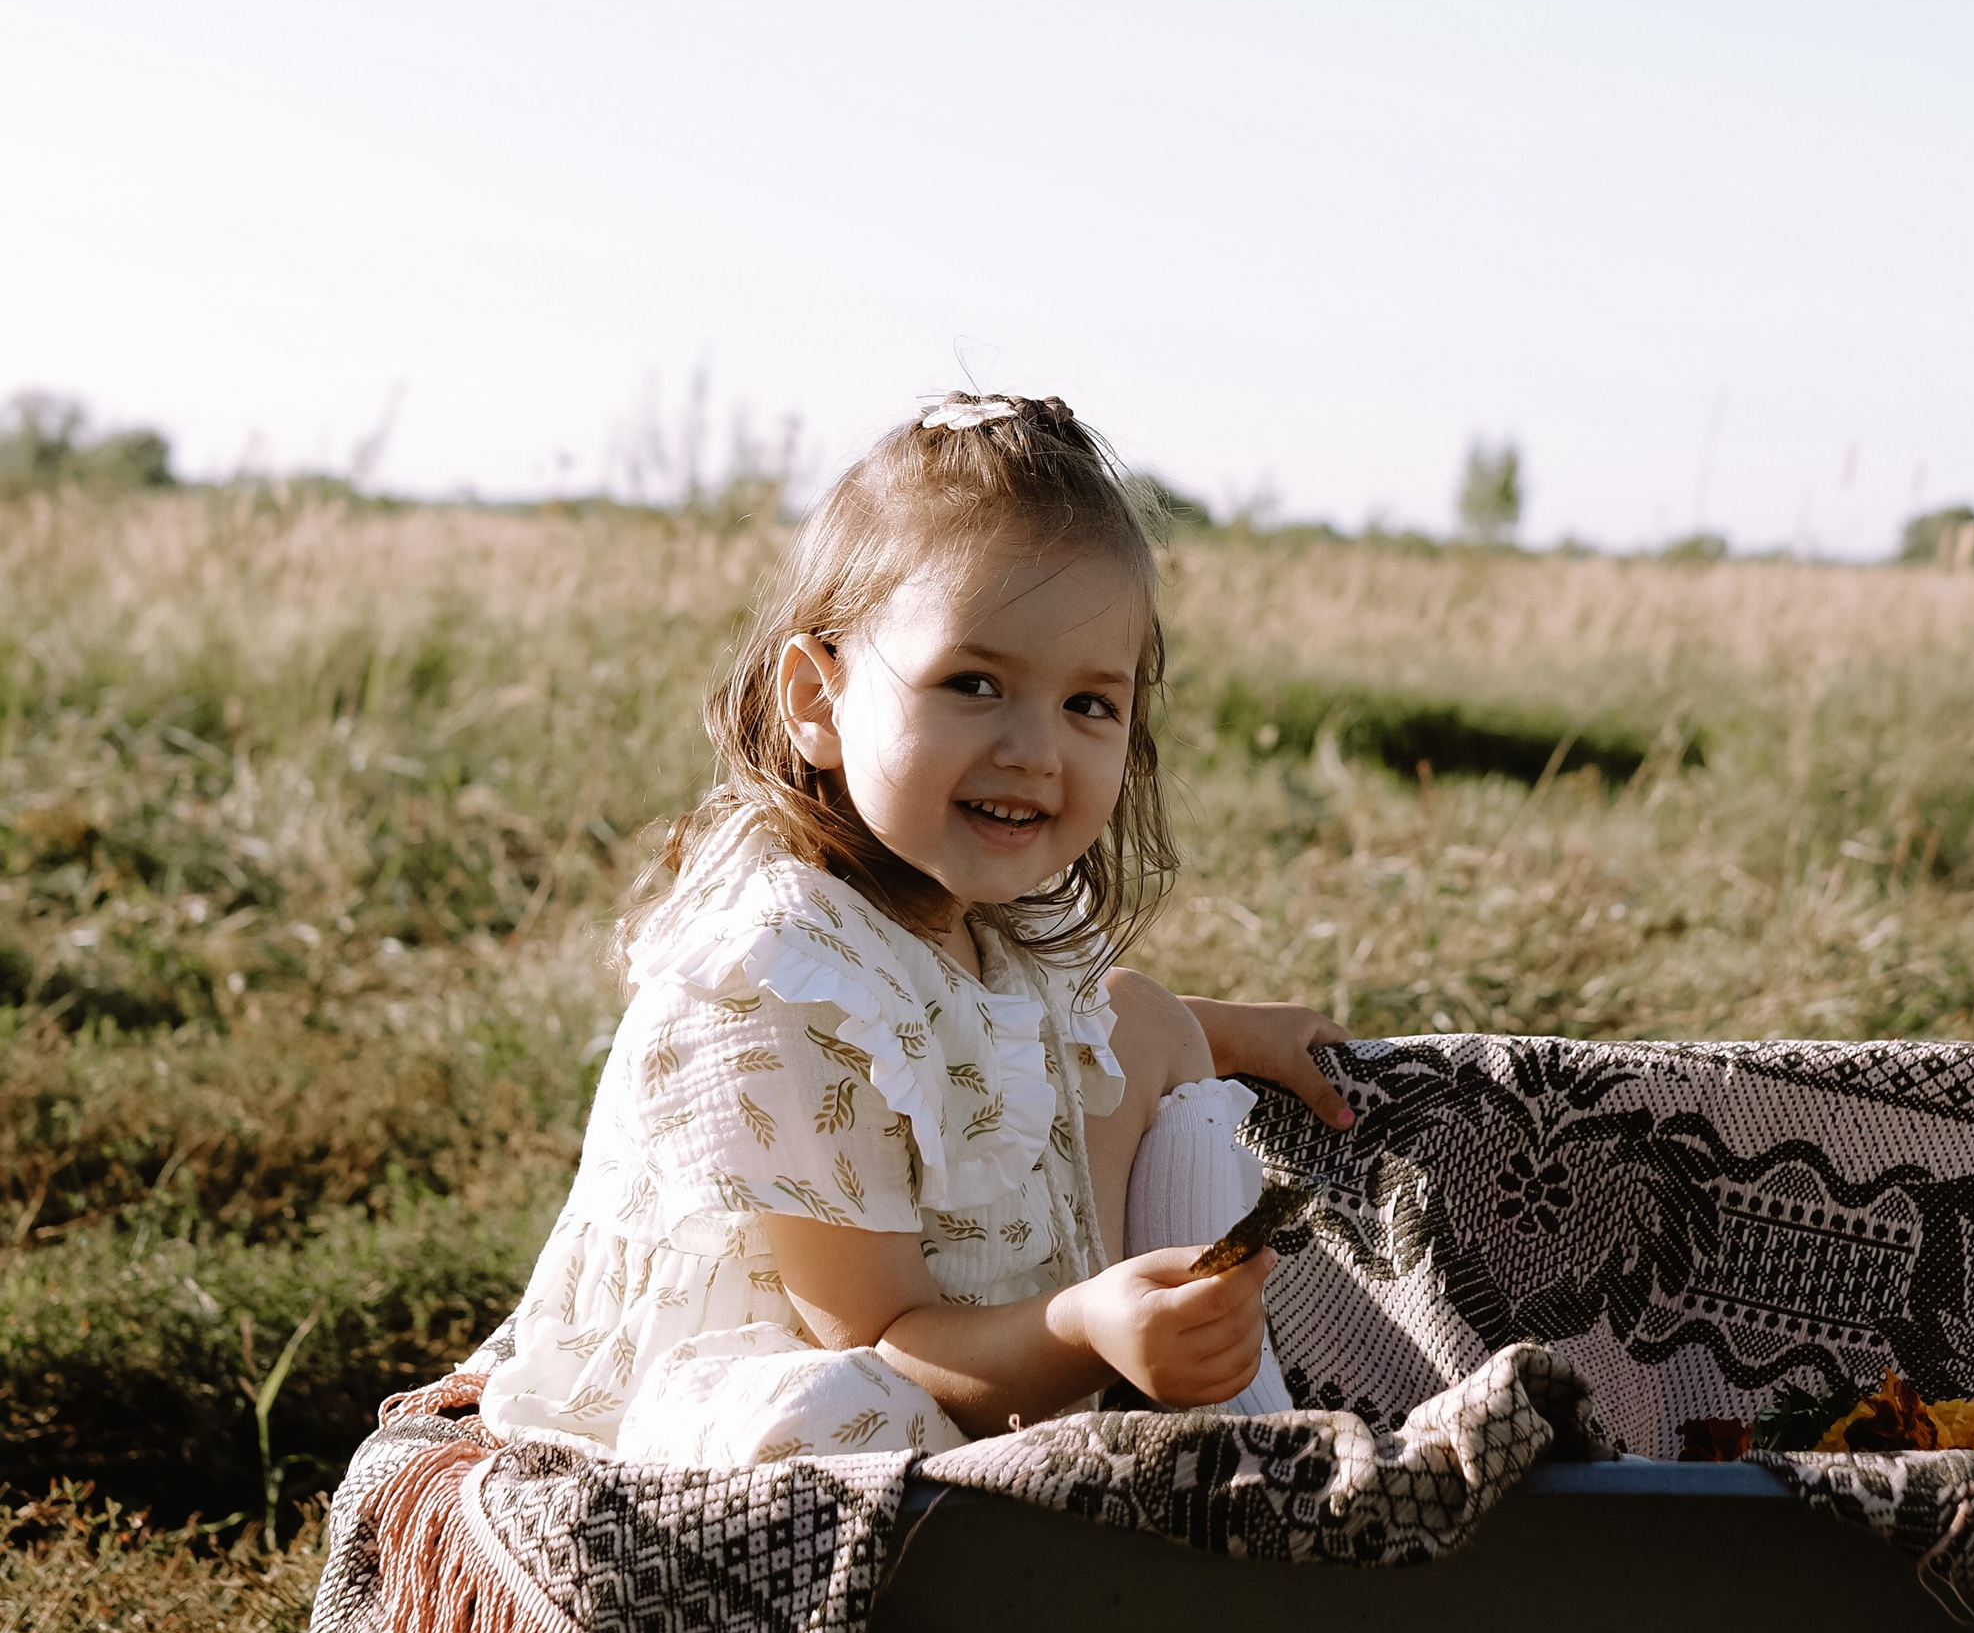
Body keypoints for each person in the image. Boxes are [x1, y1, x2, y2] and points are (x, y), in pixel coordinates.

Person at [478, 393, 1351, 1468]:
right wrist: (1085, 1329)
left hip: (992, 1345)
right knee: (840, 1409)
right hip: (811, 1372)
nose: (1035, 749)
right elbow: (885, 1338)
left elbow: (1033, 1030)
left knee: (1144, 1022)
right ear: (818, 699)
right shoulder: (783, 979)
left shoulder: (982, 918)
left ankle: (1243, 1430)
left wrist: (1222, 1031)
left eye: (1089, 704)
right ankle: (1172, 1443)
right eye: (972, 682)